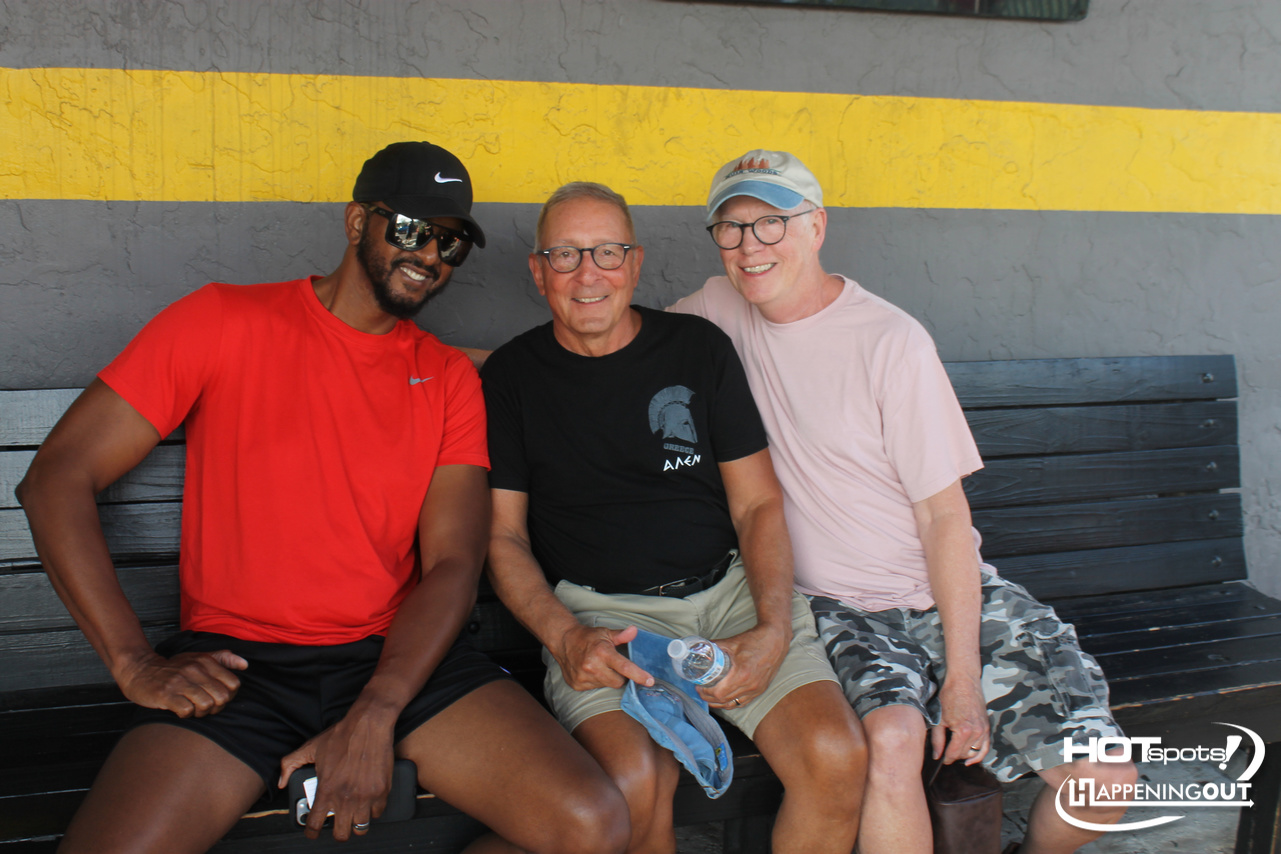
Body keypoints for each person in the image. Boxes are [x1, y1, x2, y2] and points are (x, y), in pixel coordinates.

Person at [16, 142, 628, 854]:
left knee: (591, 825)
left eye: (449, 240)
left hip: (395, 658)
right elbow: (55, 478)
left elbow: (455, 564)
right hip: (237, 669)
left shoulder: (446, 378)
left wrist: (376, 710)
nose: (428, 254)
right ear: (355, 221)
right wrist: (131, 662)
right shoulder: (222, 321)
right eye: (408, 228)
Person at [669, 149, 1138, 854]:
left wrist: (961, 678)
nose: (749, 247)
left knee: (1103, 781)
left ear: (815, 226)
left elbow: (943, 516)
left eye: (771, 224)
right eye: (730, 229)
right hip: (833, 605)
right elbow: (604, 350)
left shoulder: (889, 340)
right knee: (892, 739)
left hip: (946, 595)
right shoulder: (714, 312)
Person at [482, 181, 866, 854]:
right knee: (633, 784)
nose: (588, 273)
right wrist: (565, 637)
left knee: (835, 756)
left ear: (634, 263)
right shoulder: (512, 378)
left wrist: (773, 628)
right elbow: (503, 536)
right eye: (566, 256)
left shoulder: (696, 349)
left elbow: (757, 504)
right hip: (605, 623)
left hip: (729, 601)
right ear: (537, 271)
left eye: (606, 251)